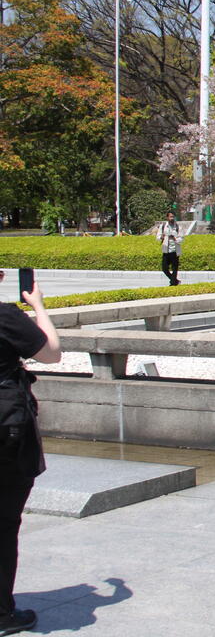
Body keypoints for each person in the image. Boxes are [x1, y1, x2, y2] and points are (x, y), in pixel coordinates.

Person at [0, 272, 62, 635]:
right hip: (5, 425)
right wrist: (38, 306)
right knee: (4, 523)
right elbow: (51, 353)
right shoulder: (5, 317)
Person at [156, 211, 182, 286]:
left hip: (175, 250)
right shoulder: (163, 226)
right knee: (164, 268)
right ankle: (175, 281)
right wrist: (162, 237)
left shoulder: (178, 227)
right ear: (167, 217)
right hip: (166, 250)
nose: (172, 218)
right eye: (170, 217)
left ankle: (173, 284)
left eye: (173, 217)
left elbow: (182, 239)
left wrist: (175, 239)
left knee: (174, 269)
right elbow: (157, 237)